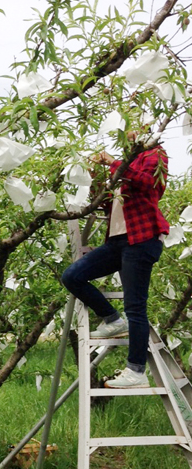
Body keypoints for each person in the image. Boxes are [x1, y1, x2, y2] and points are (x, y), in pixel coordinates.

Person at [61, 130, 169, 388]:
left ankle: (137, 371)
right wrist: (95, 177)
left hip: (142, 240)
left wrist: (112, 163)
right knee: (72, 276)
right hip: (118, 241)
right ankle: (112, 319)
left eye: (133, 126)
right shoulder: (125, 164)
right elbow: (109, 203)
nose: (127, 132)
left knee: (135, 307)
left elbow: (149, 185)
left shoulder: (155, 154)